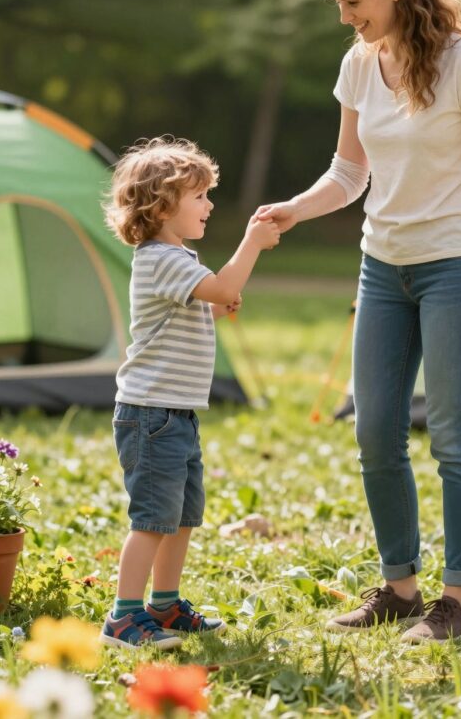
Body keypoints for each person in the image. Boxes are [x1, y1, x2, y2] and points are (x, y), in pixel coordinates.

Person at [256, 0, 461, 642]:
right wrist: (294, 209)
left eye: (353, 1)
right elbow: (349, 173)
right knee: (374, 431)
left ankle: (460, 601)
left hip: (458, 267)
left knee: (453, 435)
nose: (346, 16)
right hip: (383, 268)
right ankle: (399, 589)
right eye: (339, 3)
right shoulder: (360, 64)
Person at [100, 136, 280, 649]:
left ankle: (165, 606)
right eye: (199, 195)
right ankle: (123, 618)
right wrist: (251, 244)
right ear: (161, 205)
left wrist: (220, 305)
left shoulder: (179, 257)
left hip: (175, 414)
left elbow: (214, 303)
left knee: (179, 519)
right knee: (153, 519)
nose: (210, 204)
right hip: (151, 413)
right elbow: (222, 289)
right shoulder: (160, 257)